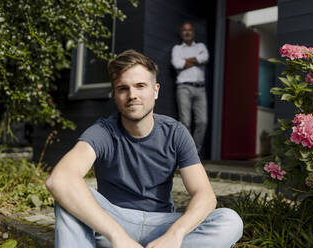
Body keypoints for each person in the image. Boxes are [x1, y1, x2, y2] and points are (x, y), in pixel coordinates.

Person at [46, 49, 243, 248]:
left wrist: (175, 234)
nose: (132, 95)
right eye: (123, 88)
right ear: (115, 94)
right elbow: (60, 180)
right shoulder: (103, 131)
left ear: (155, 90)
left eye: (140, 86)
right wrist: (118, 236)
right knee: (67, 196)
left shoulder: (175, 132)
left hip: (162, 226)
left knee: (229, 221)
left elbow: (205, 195)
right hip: (113, 223)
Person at [171, 21, 209, 154]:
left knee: (202, 121)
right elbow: (176, 64)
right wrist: (196, 60)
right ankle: (186, 153)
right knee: (185, 122)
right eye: (184, 30)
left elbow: (205, 57)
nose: (187, 32)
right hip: (183, 88)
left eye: (189, 30)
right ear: (181, 33)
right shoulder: (177, 49)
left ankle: (195, 152)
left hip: (200, 88)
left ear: (193, 32)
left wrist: (185, 61)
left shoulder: (201, 46)